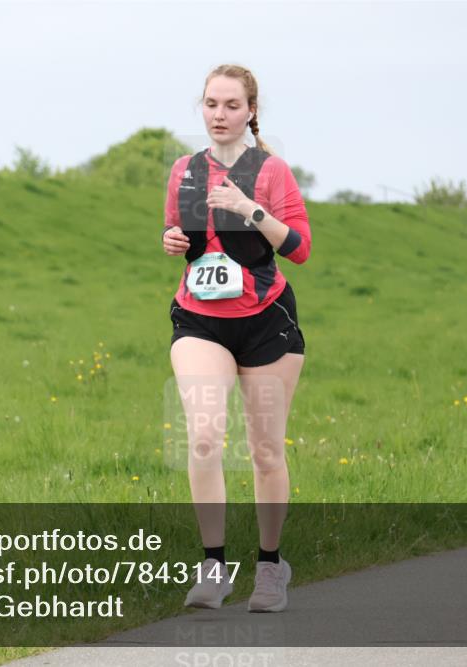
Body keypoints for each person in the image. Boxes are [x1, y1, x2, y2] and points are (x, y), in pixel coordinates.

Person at [161, 64, 311, 613]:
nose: (218, 115)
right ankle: (214, 566)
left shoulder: (271, 171)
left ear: (250, 112)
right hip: (199, 319)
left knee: (267, 450)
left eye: (230, 105)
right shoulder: (184, 170)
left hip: (267, 323)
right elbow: (180, 232)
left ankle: (270, 568)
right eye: (210, 104)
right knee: (202, 436)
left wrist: (250, 209)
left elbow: (299, 248)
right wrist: (173, 240)